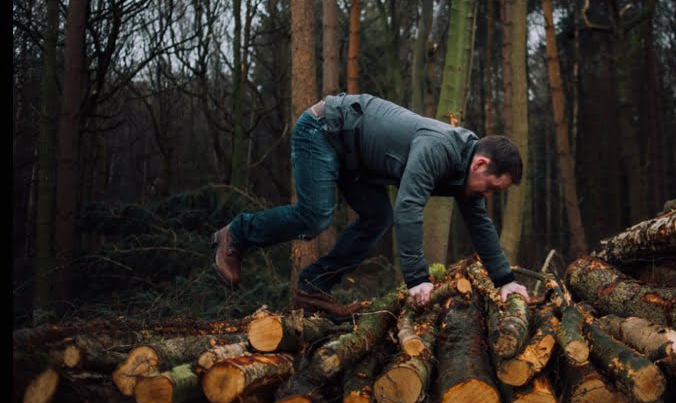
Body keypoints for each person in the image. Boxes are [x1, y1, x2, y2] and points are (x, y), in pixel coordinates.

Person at [210, 93, 530, 310]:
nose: (488, 196)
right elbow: (408, 207)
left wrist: (505, 281)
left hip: (358, 160)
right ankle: (237, 233)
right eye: (493, 188)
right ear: (481, 165)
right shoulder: (440, 148)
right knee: (316, 215)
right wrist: (417, 278)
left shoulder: (467, 170)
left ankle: (314, 287)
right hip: (324, 130)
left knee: (377, 218)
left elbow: (481, 227)